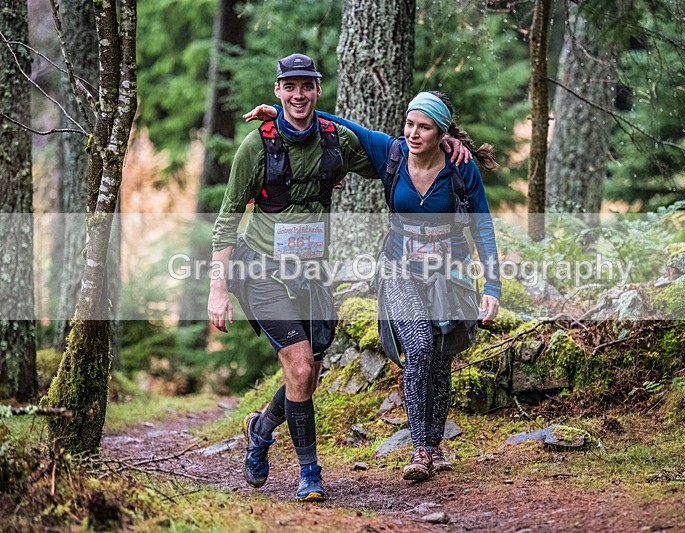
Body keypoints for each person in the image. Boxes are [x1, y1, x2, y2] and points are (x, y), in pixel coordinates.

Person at [209, 54, 470, 500]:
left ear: (317, 89)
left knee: (307, 376)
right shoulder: (256, 147)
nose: (298, 95)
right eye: (289, 86)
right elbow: (226, 219)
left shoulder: (336, 140)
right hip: (261, 270)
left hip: (311, 273)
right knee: (299, 365)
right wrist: (217, 289)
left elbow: (399, 155)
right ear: (278, 90)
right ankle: (310, 474)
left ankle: (262, 427)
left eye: (306, 86)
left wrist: (446, 143)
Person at [244, 90, 501, 481]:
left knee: (441, 357)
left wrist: (493, 287)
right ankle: (419, 450)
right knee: (419, 347)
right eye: (410, 124)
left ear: (441, 133)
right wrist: (283, 113)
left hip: (451, 274)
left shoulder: (460, 167)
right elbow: (340, 125)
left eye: (424, 127)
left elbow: (483, 226)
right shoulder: (392, 153)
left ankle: (435, 446)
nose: (414, 134)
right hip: (400, 269)